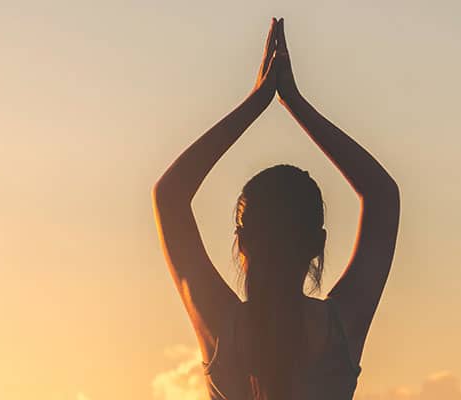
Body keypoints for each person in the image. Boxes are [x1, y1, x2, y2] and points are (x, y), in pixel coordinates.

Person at [152, 17, 400, 400]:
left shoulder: (223, 330)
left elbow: (169, 197)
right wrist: (295, 103)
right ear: (317, 244)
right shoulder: (340, 329)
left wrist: (257, 100)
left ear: (242, 241)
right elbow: (382, 196)